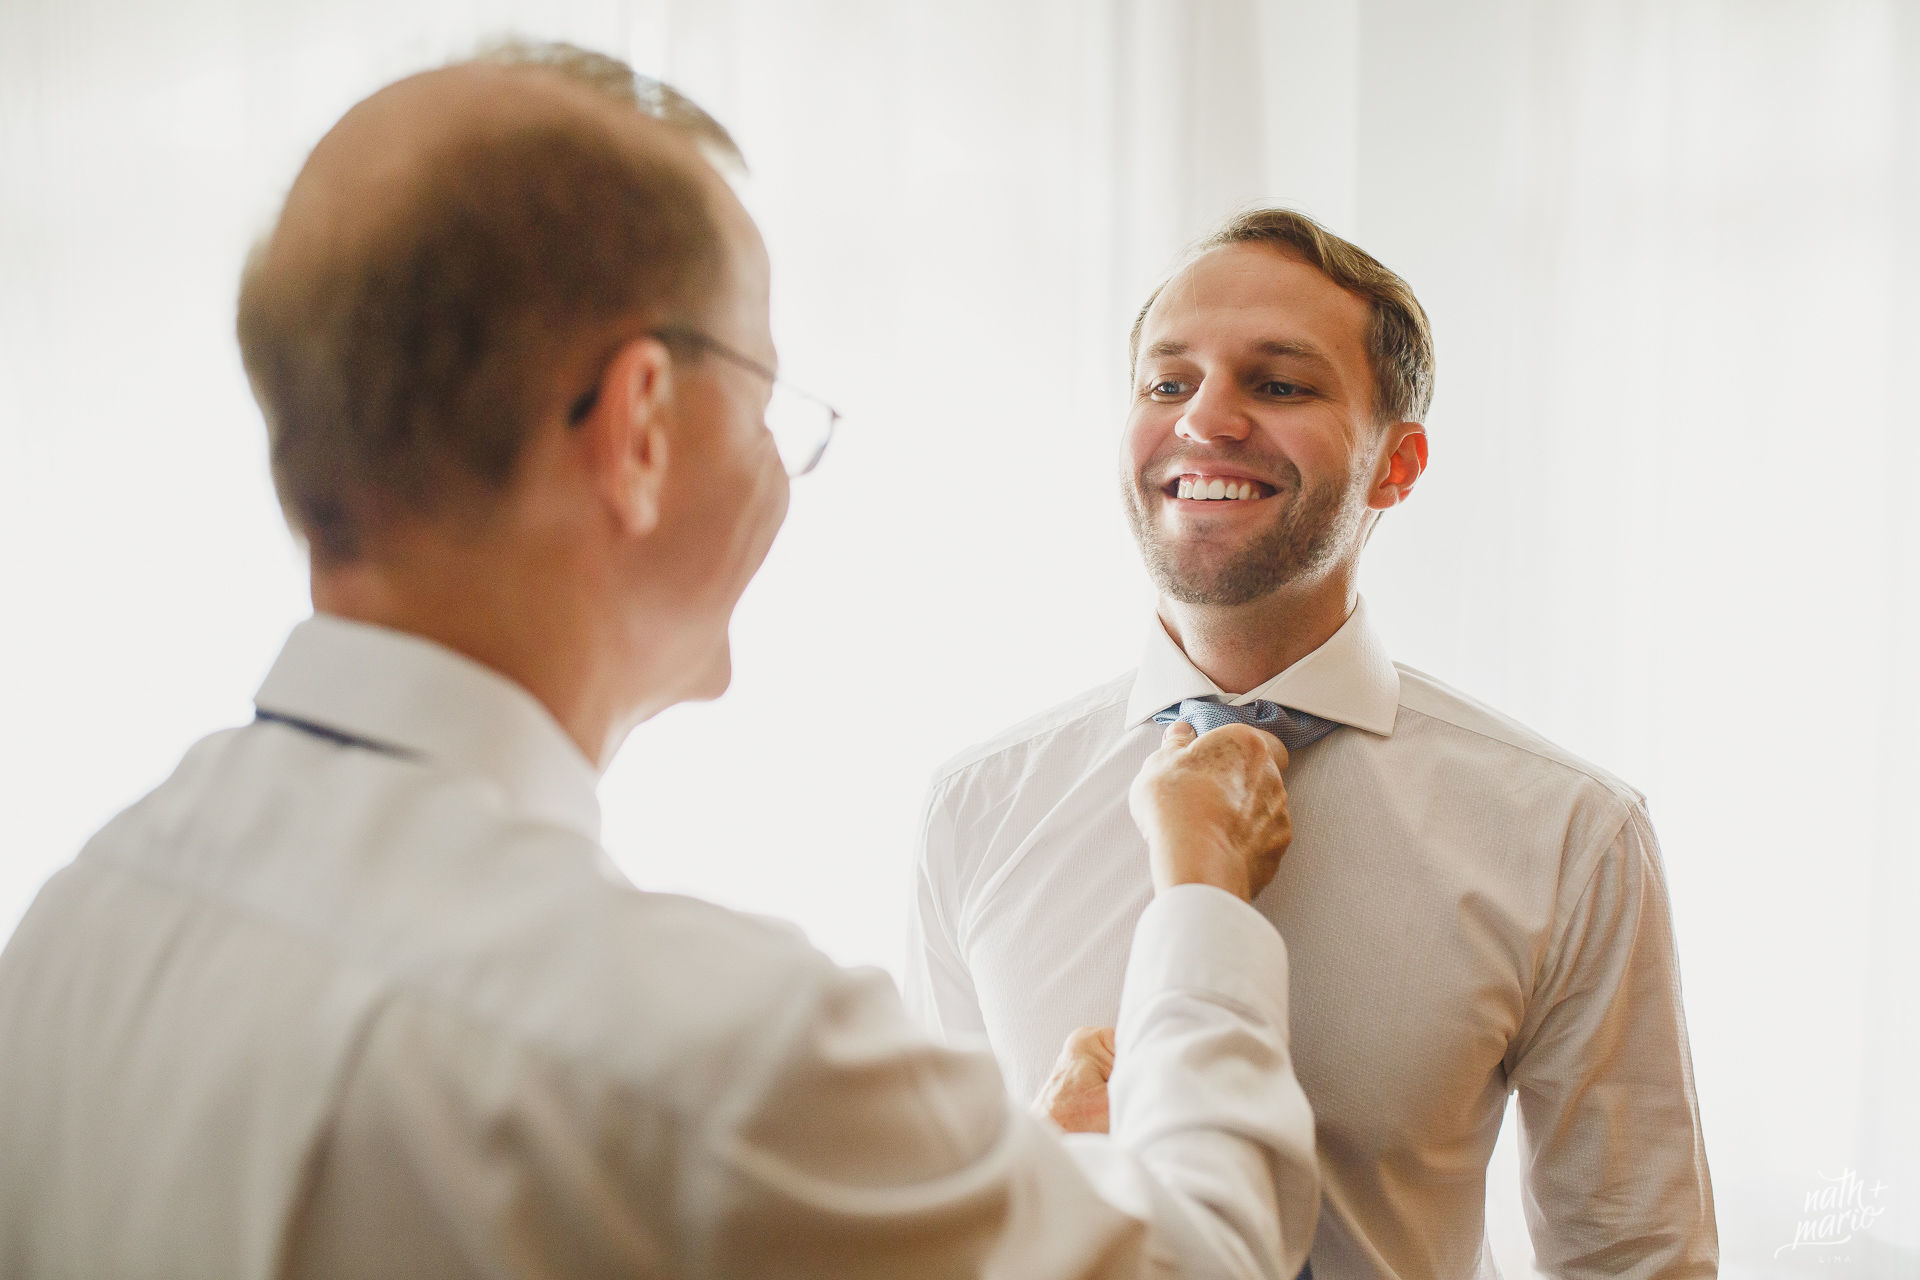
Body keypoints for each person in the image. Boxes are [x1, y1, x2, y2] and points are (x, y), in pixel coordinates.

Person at [0, 46, 1320, 1278]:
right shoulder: (713, 1058)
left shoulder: (76, 922)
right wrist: (1202, 901)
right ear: (638, 427)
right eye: (762, 398)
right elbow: (1206, 1256)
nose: (780, 463)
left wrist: (987, 1192)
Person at [906, 208, 1719, 1279]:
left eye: (1280, 384)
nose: (1206, 419)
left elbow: (1637, 1256)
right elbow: (937, 1233)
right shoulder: (977, 812)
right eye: (1167, 381)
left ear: (1398, 465)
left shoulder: (1571, 834)